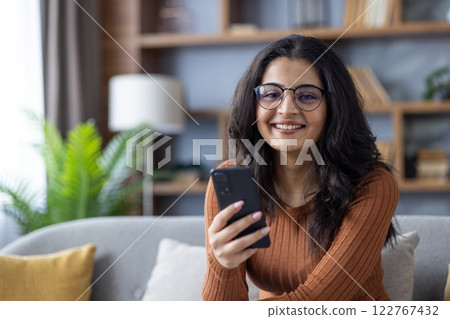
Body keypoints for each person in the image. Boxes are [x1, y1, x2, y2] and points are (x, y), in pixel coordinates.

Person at [201, 34, 398, 301]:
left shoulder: (372, 184)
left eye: (307, 96)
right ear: (254, 105)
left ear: (333, 107)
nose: (286, 109)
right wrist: (222, 265)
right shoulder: (231, 184)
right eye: (271, 94)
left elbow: (314, 303)